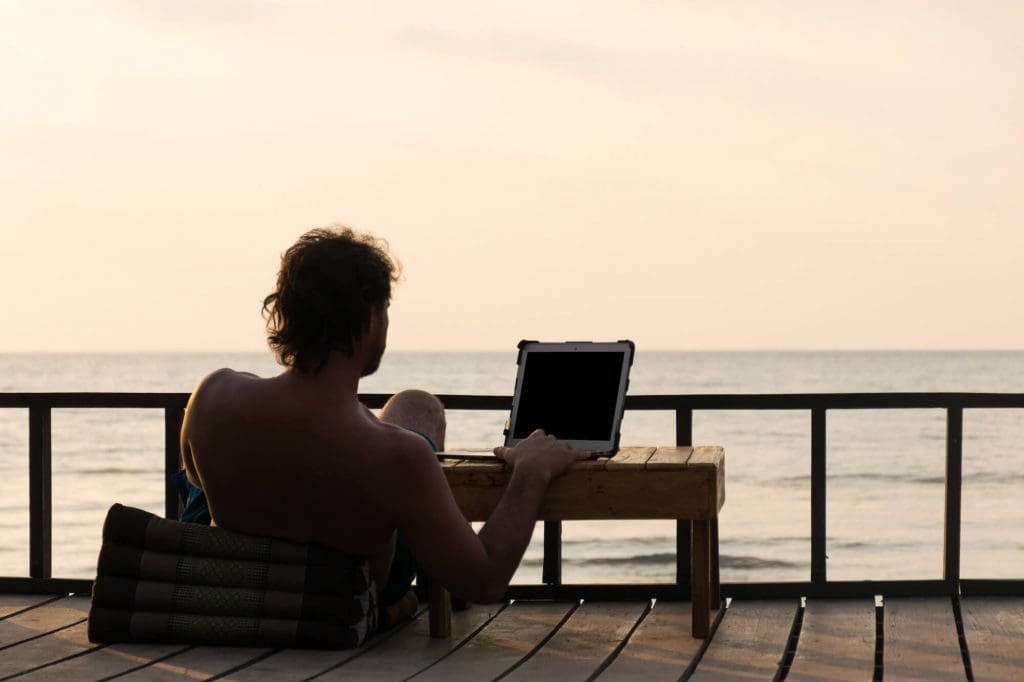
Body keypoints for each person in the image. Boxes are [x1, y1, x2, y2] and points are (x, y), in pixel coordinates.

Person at [178, 226, 587, 624]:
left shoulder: (213, 395)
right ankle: (436, 559)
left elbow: (196, 480)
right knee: (414, 428)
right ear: (371, 318)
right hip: (342, 597)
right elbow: (485, 581)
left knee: (412, 404)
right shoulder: (399, 456)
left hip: (239, 581)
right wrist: (530, 472)